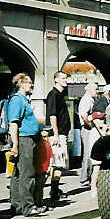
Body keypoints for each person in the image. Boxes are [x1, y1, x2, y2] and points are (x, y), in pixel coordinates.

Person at [7, 73, 44, 217]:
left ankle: (17, 205)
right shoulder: (18, 100)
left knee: (18, 173)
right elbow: (13, 123)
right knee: (27, 173)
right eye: (29, 82)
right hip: (24, 139)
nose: (32, 85)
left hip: (27, 139)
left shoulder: (24, 100)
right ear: (21, 84)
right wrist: (15, 144)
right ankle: (28, 207)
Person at [45, 71, 70, 205]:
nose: (66, 80)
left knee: (57, 164)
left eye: (66, 78)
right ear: (56, 80)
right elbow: (52, 115)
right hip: (58, 135)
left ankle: (55, 190)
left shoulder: (59, 95)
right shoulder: (53, 95)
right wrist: (55, 135)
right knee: (58, 165)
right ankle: (54, 192)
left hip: (61, 133)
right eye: (63, 78)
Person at [77, 82, 98, 186]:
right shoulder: (86, 100)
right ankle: (84, 178)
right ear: (89, 90)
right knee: (88, 153)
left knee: (90, 152)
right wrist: (90, 125)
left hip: (87, 128)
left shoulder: (90, 99)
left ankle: (87, 176)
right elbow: (84, 115)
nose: (97, 91)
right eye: (96, 89)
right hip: (86, 129)